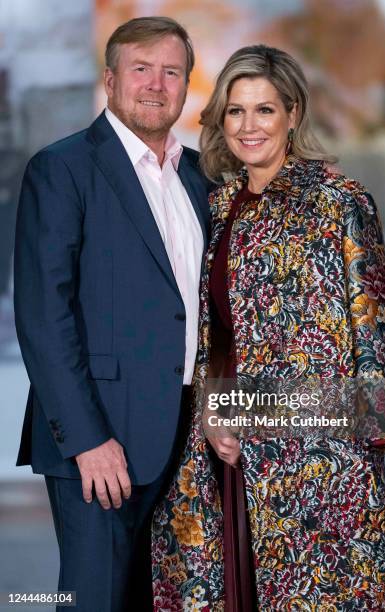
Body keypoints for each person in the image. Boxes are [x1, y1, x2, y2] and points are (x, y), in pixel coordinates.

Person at [151, 45, 385, 610]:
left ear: (294, 113)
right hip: (223, 452)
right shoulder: (219, 205)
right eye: (235, 111)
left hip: (318, 464)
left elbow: (378, 335)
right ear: (220, 119)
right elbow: (213, 335)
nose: (249, 126)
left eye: (265, 110)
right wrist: (214, 414)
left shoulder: (339, 202)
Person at [14, 17, 210, 612]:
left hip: (188, 431)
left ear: (185, 85)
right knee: (93, 599)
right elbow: (44, 315)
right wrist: (88, 438)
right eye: (141, 69)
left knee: (157, 598)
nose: (156, 84)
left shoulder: (201, 175)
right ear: (110, 79)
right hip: (103, 438)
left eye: (171, 71)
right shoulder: (63, 168)